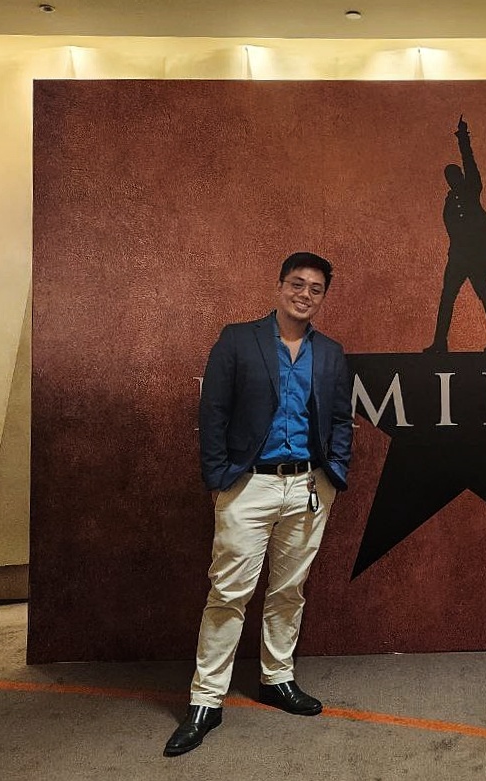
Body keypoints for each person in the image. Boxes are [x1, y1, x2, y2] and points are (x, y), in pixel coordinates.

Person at [164, 252, 354, 757]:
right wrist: (219, 480)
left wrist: (334, 471)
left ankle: (278, 678)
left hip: (308, 487)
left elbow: (340, 418)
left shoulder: (330, 353)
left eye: (316, 288)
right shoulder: (237, 340)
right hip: (248, 486)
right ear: (279, 286)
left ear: (323, 297)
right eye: (297, 284)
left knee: (289, 591)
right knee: (228, 593)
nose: (305, 294)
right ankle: (206, 699)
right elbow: (213, 411)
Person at [423, 116, 486, 353]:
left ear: (461, 176)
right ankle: (440, 343)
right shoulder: (449, 201)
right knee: (447, 298)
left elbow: (469, 161)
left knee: (485, 297)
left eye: (456, 175)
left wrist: (463, 137)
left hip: (475, 256)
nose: (453, 179)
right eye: (450, 177)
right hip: (457, 257)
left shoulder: (471, 189)